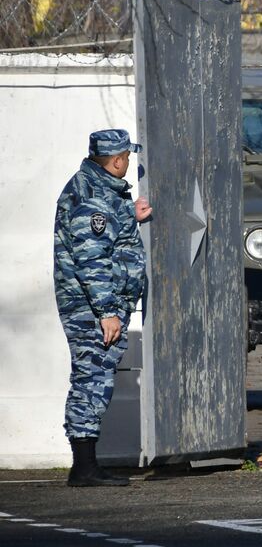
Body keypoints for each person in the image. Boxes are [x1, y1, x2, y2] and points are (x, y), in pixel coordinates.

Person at [53, 129, 153, 487]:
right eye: (127, 156)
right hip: (90, 308)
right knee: (91, 381)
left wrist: (130, 214)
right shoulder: (91, 197)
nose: (128, 161)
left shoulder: (100, 191)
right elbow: (91, 260)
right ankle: (84, 469)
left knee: (94, 379)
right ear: (117, 160)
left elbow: (107, 235)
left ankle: (86, 466)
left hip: (94, 305)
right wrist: (107, 312)